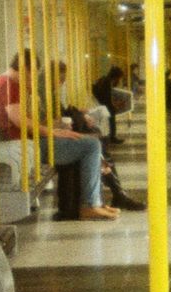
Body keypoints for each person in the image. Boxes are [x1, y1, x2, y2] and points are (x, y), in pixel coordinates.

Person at [0, 51, 116, 221]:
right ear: (24, 69)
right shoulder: (8, 85)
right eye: (31, 75)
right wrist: (52, 132)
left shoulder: (9, 84)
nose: (31, 81)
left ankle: (92, 202)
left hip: (29, 142)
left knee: (82, 140)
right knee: (91, 145)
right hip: (25, 146)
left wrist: (54, 129)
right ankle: (90, 204)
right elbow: (20, 121)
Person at [55, 61, 144, 211]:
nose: (62, 83)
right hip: (54, 137)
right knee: (95, 146)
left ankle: (115, 194)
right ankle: (105, 198)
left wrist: (78, 113)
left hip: (59, 133)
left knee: (99, 145)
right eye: (61, 79)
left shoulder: (50, 94)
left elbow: (62, 112)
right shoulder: (43, 94)